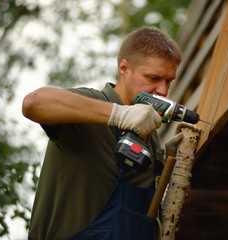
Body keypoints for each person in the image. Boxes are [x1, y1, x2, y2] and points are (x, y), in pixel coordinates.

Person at [22, 27, 184, 240]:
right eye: (153, 78)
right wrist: (118, 114)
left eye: (169, 81)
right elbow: (33, 103)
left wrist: (167, 166)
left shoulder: (150, 136)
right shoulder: (93, 107)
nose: (163, 90)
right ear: (124, 69)